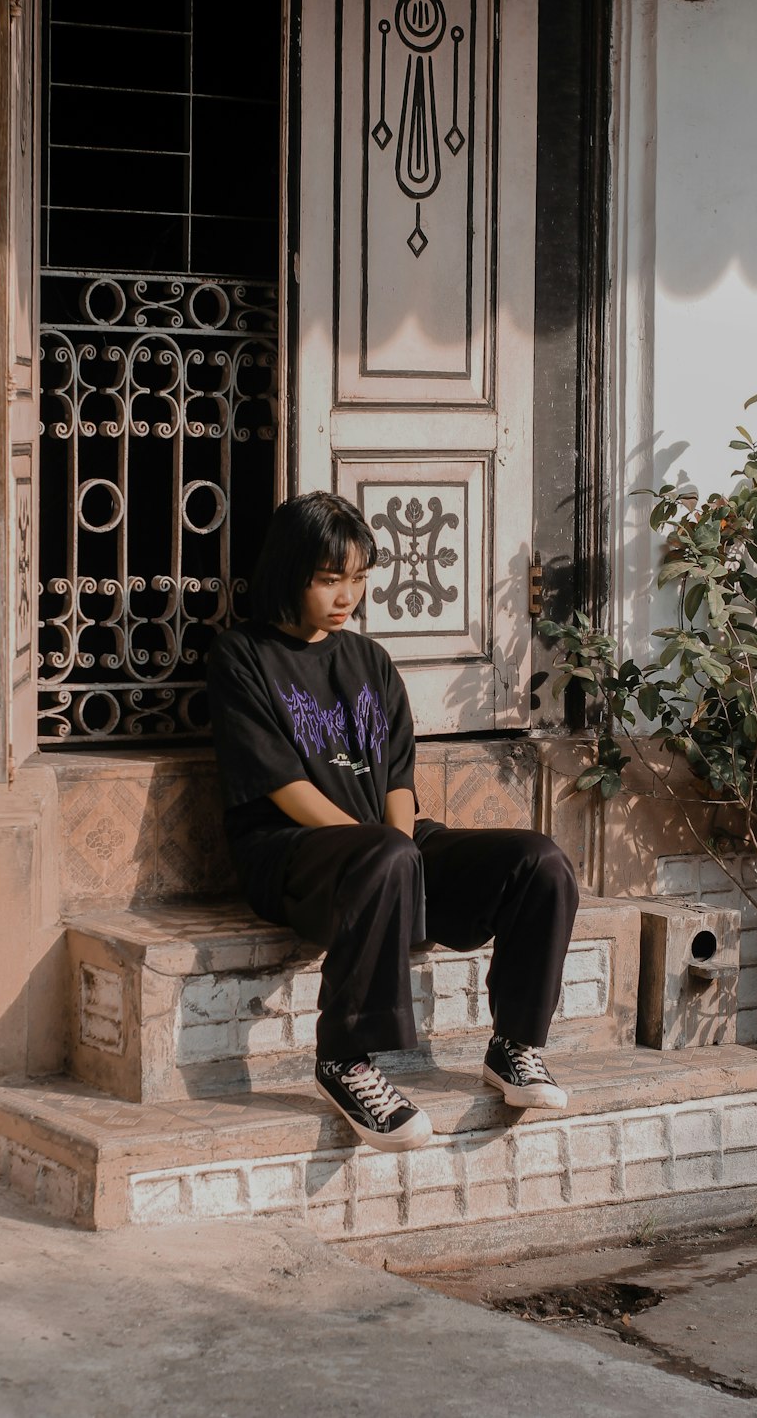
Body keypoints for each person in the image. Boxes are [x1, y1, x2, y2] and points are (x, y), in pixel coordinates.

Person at [206, 492, 579, 1154]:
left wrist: (404, 851)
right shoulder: (243, 657)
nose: (346, 595)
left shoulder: (369, 660)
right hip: (291, 853)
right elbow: (282, 785)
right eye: (328, 579)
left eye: (357, 578)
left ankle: (515, 1044)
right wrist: (384, 852)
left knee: (540, 862)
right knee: (385, 856)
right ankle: (346, 1059)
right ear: (288, 573)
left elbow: (398, 777)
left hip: (385, 850)